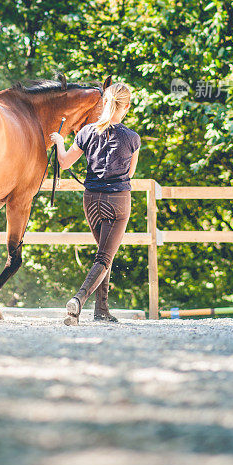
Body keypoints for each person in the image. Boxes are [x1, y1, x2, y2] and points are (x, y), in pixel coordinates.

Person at [50, 82, 140, 325]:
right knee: (104, 257)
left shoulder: (86, 132)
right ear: (127, 106)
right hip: (118, 201)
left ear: (104, 104)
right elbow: (129, 174)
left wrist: (59, 141)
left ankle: (101, 309)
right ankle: (78, 300)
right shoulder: (132, 138)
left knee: (104, 252)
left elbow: (65, 163)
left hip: (91, 200)